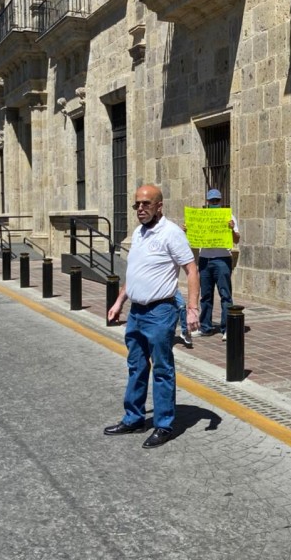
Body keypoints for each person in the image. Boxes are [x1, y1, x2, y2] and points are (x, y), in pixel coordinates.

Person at [105, 184, 200, 449]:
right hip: (136, 312)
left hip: (160, 312)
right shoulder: (138, 233)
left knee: (161, 368)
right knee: (136, 365)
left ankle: (164, 425)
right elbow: (134, 272)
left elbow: (192, 270)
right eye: (137, 204)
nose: (140, 209)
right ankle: (134, 418)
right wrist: (119, 301)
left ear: (159, 206)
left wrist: (192, 308)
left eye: (146, 204)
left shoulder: (171, 233)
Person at [191, 189, 240, 342]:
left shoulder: (228, 216)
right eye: (212, 201)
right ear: (207, 202)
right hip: (205, 259)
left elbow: (237, 240)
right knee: (205, 295)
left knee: (225, 295)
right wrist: (187, 230)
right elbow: (192, 237)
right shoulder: (201, 218)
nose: (214, 203)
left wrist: (232, 229)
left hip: (222, 259)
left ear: (220, 201)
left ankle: (228, 329)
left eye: (216, 201)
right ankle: (205, 327)